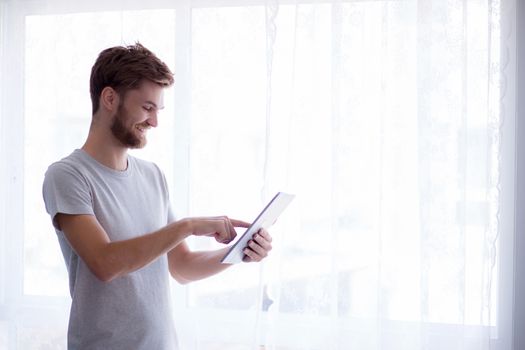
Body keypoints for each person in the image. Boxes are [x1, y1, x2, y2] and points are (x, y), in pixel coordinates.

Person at [42, 43, 273, 350]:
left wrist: (239, 252)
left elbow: (182, 266)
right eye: (147, 108)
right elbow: (104, 262)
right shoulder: (68, 175)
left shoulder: (153, 176)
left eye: (157, 110)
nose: (154, 122)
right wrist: (188, 226)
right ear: (110, 98)